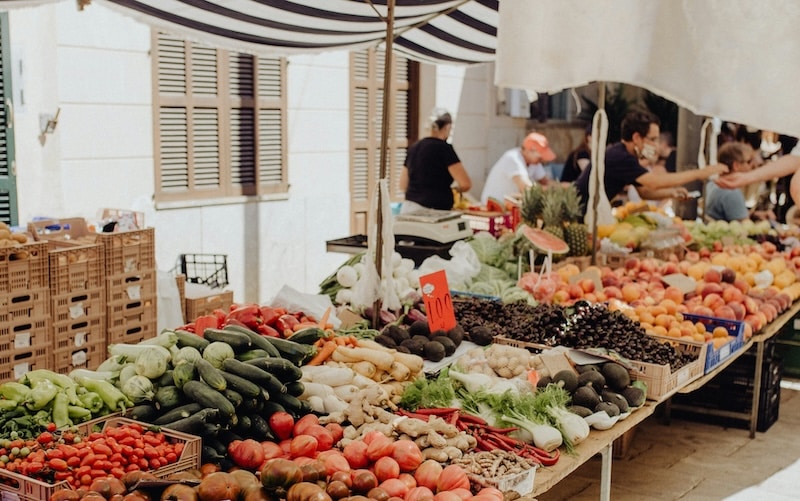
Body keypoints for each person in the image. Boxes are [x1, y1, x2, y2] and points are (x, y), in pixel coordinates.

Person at [574, 110, 728, 214]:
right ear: (636, 138)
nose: (655, 145)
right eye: (652, 139)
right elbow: (654, 182)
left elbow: (644, 192)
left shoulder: (626, 154)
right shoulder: (620, 157)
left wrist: (672, 193)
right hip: (578, 213)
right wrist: (700, 173)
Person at [399, 109, 472, 213]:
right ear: (447, 127)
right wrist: (456, 191)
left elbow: (402, 185)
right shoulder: (445, 149)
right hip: (433, 212)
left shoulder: (414, 147)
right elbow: (465, 183)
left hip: (408, 208)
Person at [480, 132, 556, 204]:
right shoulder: (513, 158)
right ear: (529, 150)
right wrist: (554, 189)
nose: (541, 160)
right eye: (540, 157)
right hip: (495, 206)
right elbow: (527, 189)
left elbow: (546, 181)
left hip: (511, 206)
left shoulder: (534, 162)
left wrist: (563, 186)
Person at [705, 142, 758, 222]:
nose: (752, 166)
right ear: (736, 165)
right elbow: (746, 226)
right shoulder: (732, 192)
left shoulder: (713, 183)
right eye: (749, 161)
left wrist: (755, 214)